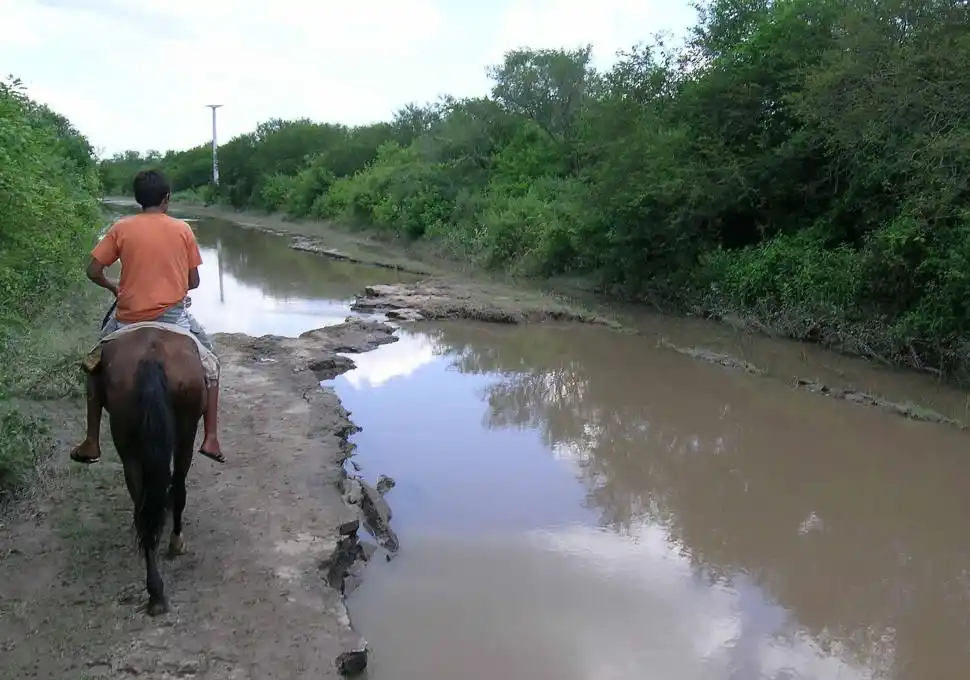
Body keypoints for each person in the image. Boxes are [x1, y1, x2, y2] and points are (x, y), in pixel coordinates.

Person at [70, 169, 225, 464]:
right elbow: (194, 283)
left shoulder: (120, 228)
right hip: (174, 319)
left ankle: (91, 441)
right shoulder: (183, 230)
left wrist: (113, 286)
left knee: (94, 365)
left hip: (127, 319)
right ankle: (212, 437)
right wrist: (177, 283)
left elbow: (93, 271)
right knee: (211, 363)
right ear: (167, 199)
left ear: (137, 199)